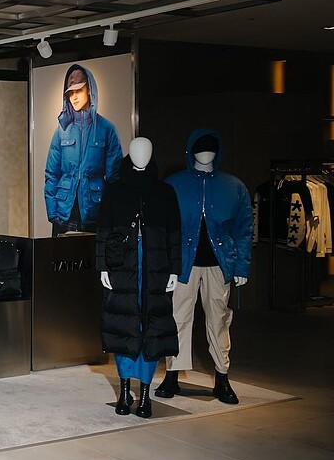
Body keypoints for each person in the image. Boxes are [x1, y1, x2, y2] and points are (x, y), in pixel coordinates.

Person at [157, 129, 253, 404]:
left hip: (219, 265)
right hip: (183, 266)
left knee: (219, 320)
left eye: (211, 148)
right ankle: (172, 374)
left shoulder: (233, 187)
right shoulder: (174, 184)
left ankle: (222, 377)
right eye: (201, 148)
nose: (206, 153)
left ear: (218, 152)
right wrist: (165, 264)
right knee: (178, 318)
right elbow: (163, 228)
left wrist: (242, 266)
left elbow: (244, 229)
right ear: (190, 152)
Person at [96, 138, 181, 418]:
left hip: (156, 266)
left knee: (151, 326)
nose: (141, 155)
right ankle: (124, 391)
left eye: (146, 150)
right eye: (135, 150)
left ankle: (145, 394)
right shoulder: (114, 190)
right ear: (128, 155)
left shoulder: (165, 192)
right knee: (124, 324)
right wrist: (103, 266)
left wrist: (174, 270)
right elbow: (104, 231)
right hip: (122, 264)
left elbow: (174, 234)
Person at [44, 63, 124, 235]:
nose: (74, 97)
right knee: (61, 252)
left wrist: (110, 214)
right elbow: (51, 174)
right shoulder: (62, 131)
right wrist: (53, 213)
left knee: (92, 253)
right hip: (64, 214)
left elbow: (115, 179)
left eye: (79, 90)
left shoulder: (106, 129)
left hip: (95, 212)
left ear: (89, 89)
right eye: (70, 92)